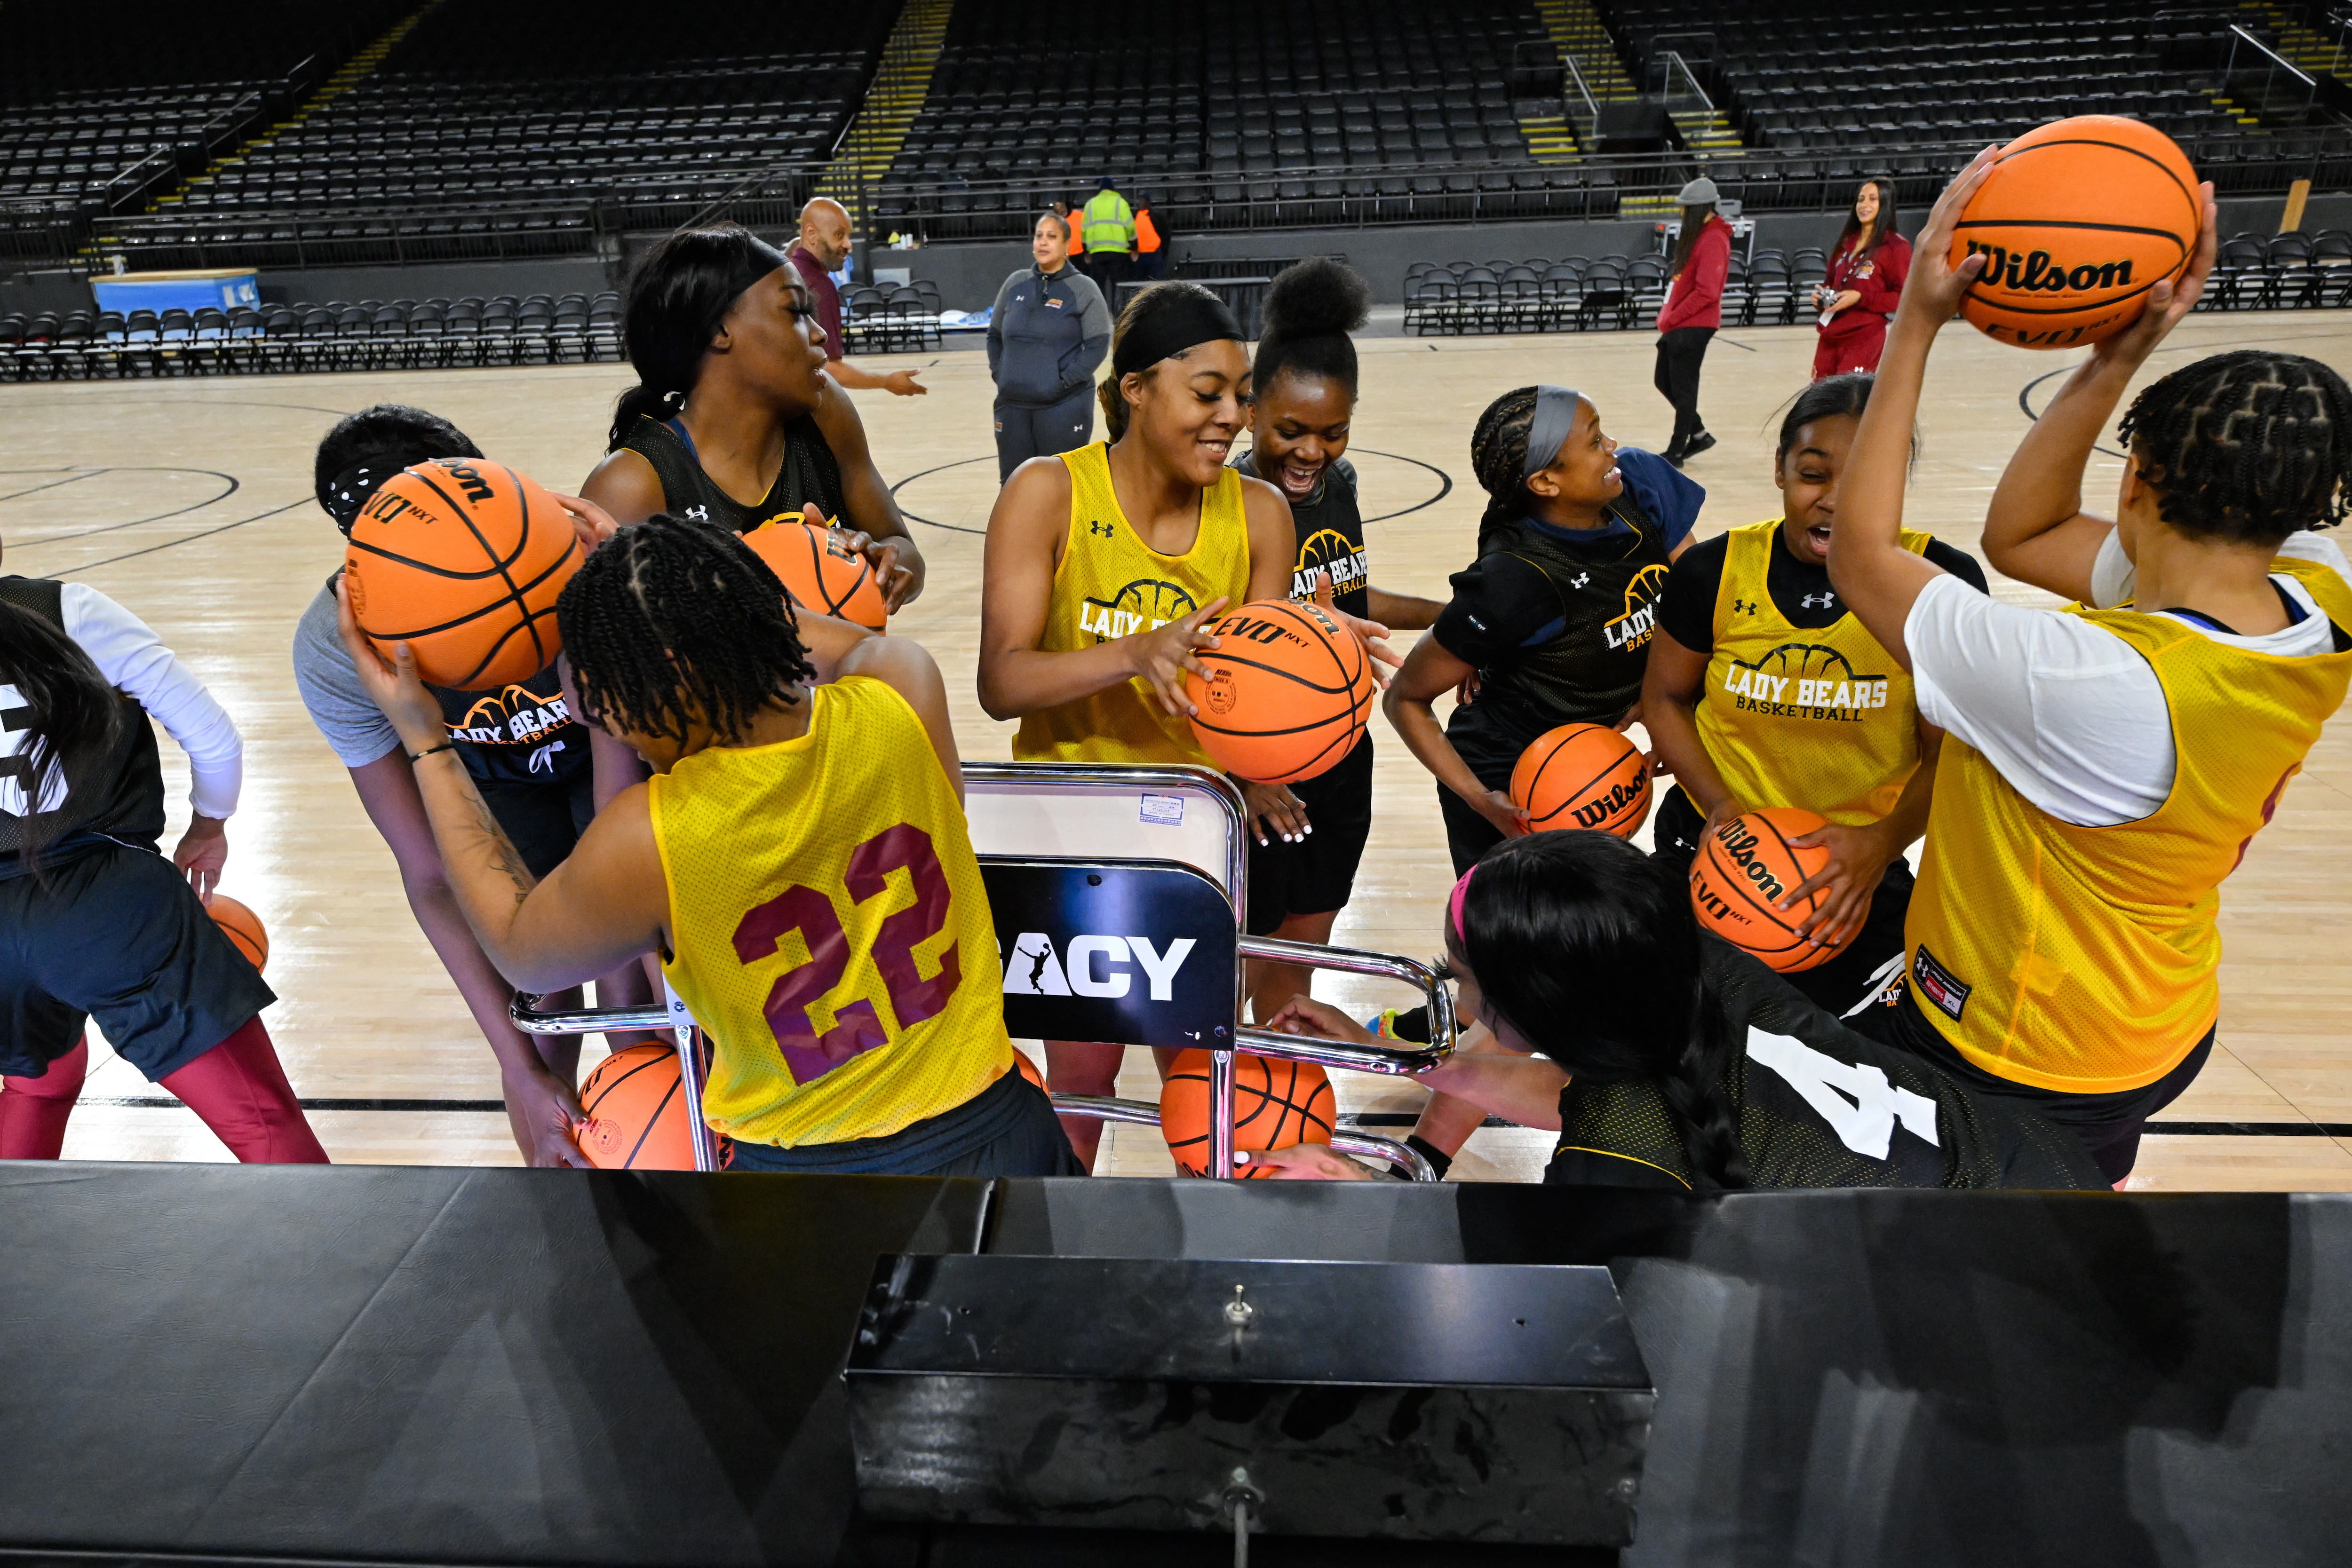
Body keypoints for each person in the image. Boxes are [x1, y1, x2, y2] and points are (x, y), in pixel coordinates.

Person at [1828, 152, 2352, 1185]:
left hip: (2019, 1039)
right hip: (2150, 1011)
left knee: (1945, 1253)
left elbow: (1860, 555)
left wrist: (1917, 326)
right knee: (2077, 1194)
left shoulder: (2084, 681)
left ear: (2140, 483)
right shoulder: (2310, 593)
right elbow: (2024, 538)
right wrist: (2123, 349)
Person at [335, 514, 1079, 1176]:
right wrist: (685, 565)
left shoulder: (649, 836)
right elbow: (819, 637)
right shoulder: (899, 691)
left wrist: (427, 741)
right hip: (1000, 1128)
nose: (599, 715)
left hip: (813, 1179)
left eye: (598, 692)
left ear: (650, 688)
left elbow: (516, 946)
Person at [1242, 831, 2105, 1191]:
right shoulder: (1700, 963)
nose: (1449, 995)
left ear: (1543, 1009)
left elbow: (1524, 1308)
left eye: (1460, 976)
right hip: (2032, 1164)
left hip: (2010, 1269)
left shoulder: (1622, 1160)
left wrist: (1369, 1195)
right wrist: (1406, 1059)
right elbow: (1583, 1089)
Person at [978, 281, 1326, 1169]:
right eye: (1207, 392)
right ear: (1134, 388)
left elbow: (1264, 689)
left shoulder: (1260, 514)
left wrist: (1324, 667)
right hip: (1071, 834)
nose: (1233, 418)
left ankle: (1213, 1270)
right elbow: (1002, 679)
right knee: (1082, 1085)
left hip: (1193, 837)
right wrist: (1136, 652)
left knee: (1211, 1086)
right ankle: (1058, 1262)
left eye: (1241, 396)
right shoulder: (1048, 491)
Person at [292, 405, 655, 1166]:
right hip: (488, 792)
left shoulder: (572, 556)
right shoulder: (334, 645)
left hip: (611, 754)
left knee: (637, 980)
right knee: (538, 1005)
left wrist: (618, 596)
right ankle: (555, 1192)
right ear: (358, 556)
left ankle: (674, 1157)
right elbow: (429, 875)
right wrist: (521, 1071)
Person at [1641, 373, 1989, 1015]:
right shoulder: (1712, 571)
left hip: (1853, 863)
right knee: (1675, 1045)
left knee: (1856, 1065)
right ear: (1779, 470)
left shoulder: (1943, 584)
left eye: (1864, 477)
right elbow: (1663, 698)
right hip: (1712, 843)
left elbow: (1954, 756)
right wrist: (1721, 806)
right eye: (1813, 474)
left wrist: (1881, 845)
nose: (1834, 500)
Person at [0, 579, 326, 1164]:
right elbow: (213, 737)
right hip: (106, 908)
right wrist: (210, 823)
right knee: (263, 1124)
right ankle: (337, 1258)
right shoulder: (68, 610)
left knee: (36, 1088)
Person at [1232, 258, 1443, 1023]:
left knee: (1303, 955)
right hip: (1258, 772)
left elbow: (1349, 599)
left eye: (1333, 431)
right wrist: (1241, 777)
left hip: (1339, 758)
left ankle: (1285, 1100)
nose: (1312, 451)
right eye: (1290, 430)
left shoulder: (1340, 485)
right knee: (1245, 957)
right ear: (1251, 408)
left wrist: (1450, 619)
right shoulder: (1227, 503)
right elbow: (1201, 657)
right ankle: (1244, 1106)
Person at [1385, 384, 1702, 880]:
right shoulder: (1514, 581)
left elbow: (1698, 609)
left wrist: (1669, 703)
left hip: (1594, 763)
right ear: (1545, 482)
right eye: (1595, 442)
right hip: (1510, 775)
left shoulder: (1637, 485)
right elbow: (1403, 698)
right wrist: (1478, 799)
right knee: (1512, 941)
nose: (1613, 446)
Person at [987, 212, 1112, 481]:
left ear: (1067, 244)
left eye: (1051, 237)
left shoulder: (1083, 288)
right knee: (1013, 485)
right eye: (1039, 236)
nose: (1043, 243)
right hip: (1013, 406)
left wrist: (1064, 382)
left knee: (1061, 485)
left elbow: (1098, 344)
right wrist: (1001, 374)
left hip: (1063, 406)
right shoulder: (1015, 283)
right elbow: (994, 335)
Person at [787, 197, 927, 396]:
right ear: (811, 234)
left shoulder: (786, 270)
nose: (848, 244)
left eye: (848, 235)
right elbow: (830, 368)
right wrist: (886, 381)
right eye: (839, 235)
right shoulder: (818, 287)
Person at [1653, 176, 1731, 467]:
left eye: (1686, 209)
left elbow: (1708, 292)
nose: (1682, 213)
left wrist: (1674, 316)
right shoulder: (1702, 235)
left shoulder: (1713, 239)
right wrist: (1669, 315)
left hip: (1694, 325)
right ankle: (1699, 434)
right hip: (1680, 324)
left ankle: (1676, 452)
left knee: (1684, 389)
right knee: (1664, 380)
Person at [1812, 178, 1910, 380]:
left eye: (1873, 200)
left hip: (1864, 338)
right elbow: (1831, 281)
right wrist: (1822, 296)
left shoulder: (1896, 247)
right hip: (1831, 335)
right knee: (1818, 400)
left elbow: (1903, 298)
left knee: (1848, 403)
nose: (1864, 205)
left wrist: (1861, 297)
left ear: (1885, 204)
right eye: (1861, 200)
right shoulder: (1847, 241)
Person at [1079, 177, 1137, 296]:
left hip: (1097, 253)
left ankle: (1101, 314)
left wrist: (1086, 250)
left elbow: (1084, 230)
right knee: (1119, 289)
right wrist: (1135, 246)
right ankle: (1120, 313)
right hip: (1119, 253)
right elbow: (1130, 227)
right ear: (1113, 189)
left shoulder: (1090, 205)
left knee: (1098, 288)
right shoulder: (1121, 203)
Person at [1133, 194, 1165, 280]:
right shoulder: (1134, 216)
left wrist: (1162, 249)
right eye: (1139, 200)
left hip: (1154, 254)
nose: (1140, 202)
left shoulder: (1157, 216)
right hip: (1140, 255)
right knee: (1139, 283)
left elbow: (1165, 233)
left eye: (1142, 200)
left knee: (1156, 282)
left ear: (1148, 202)